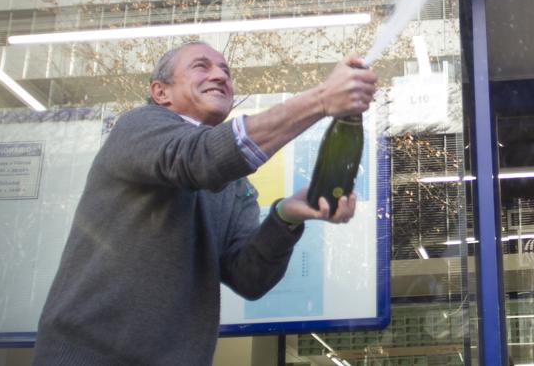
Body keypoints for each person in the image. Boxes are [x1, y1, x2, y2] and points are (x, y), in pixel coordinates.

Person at [34, 41, 377, 365]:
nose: (220, 76)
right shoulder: (138, 126)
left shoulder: (235, 186)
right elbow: (198, 159)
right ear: (160, 92)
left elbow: (249, 278)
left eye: (226, 71)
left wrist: (286, 216)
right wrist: (320, 100)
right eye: (202, 66)